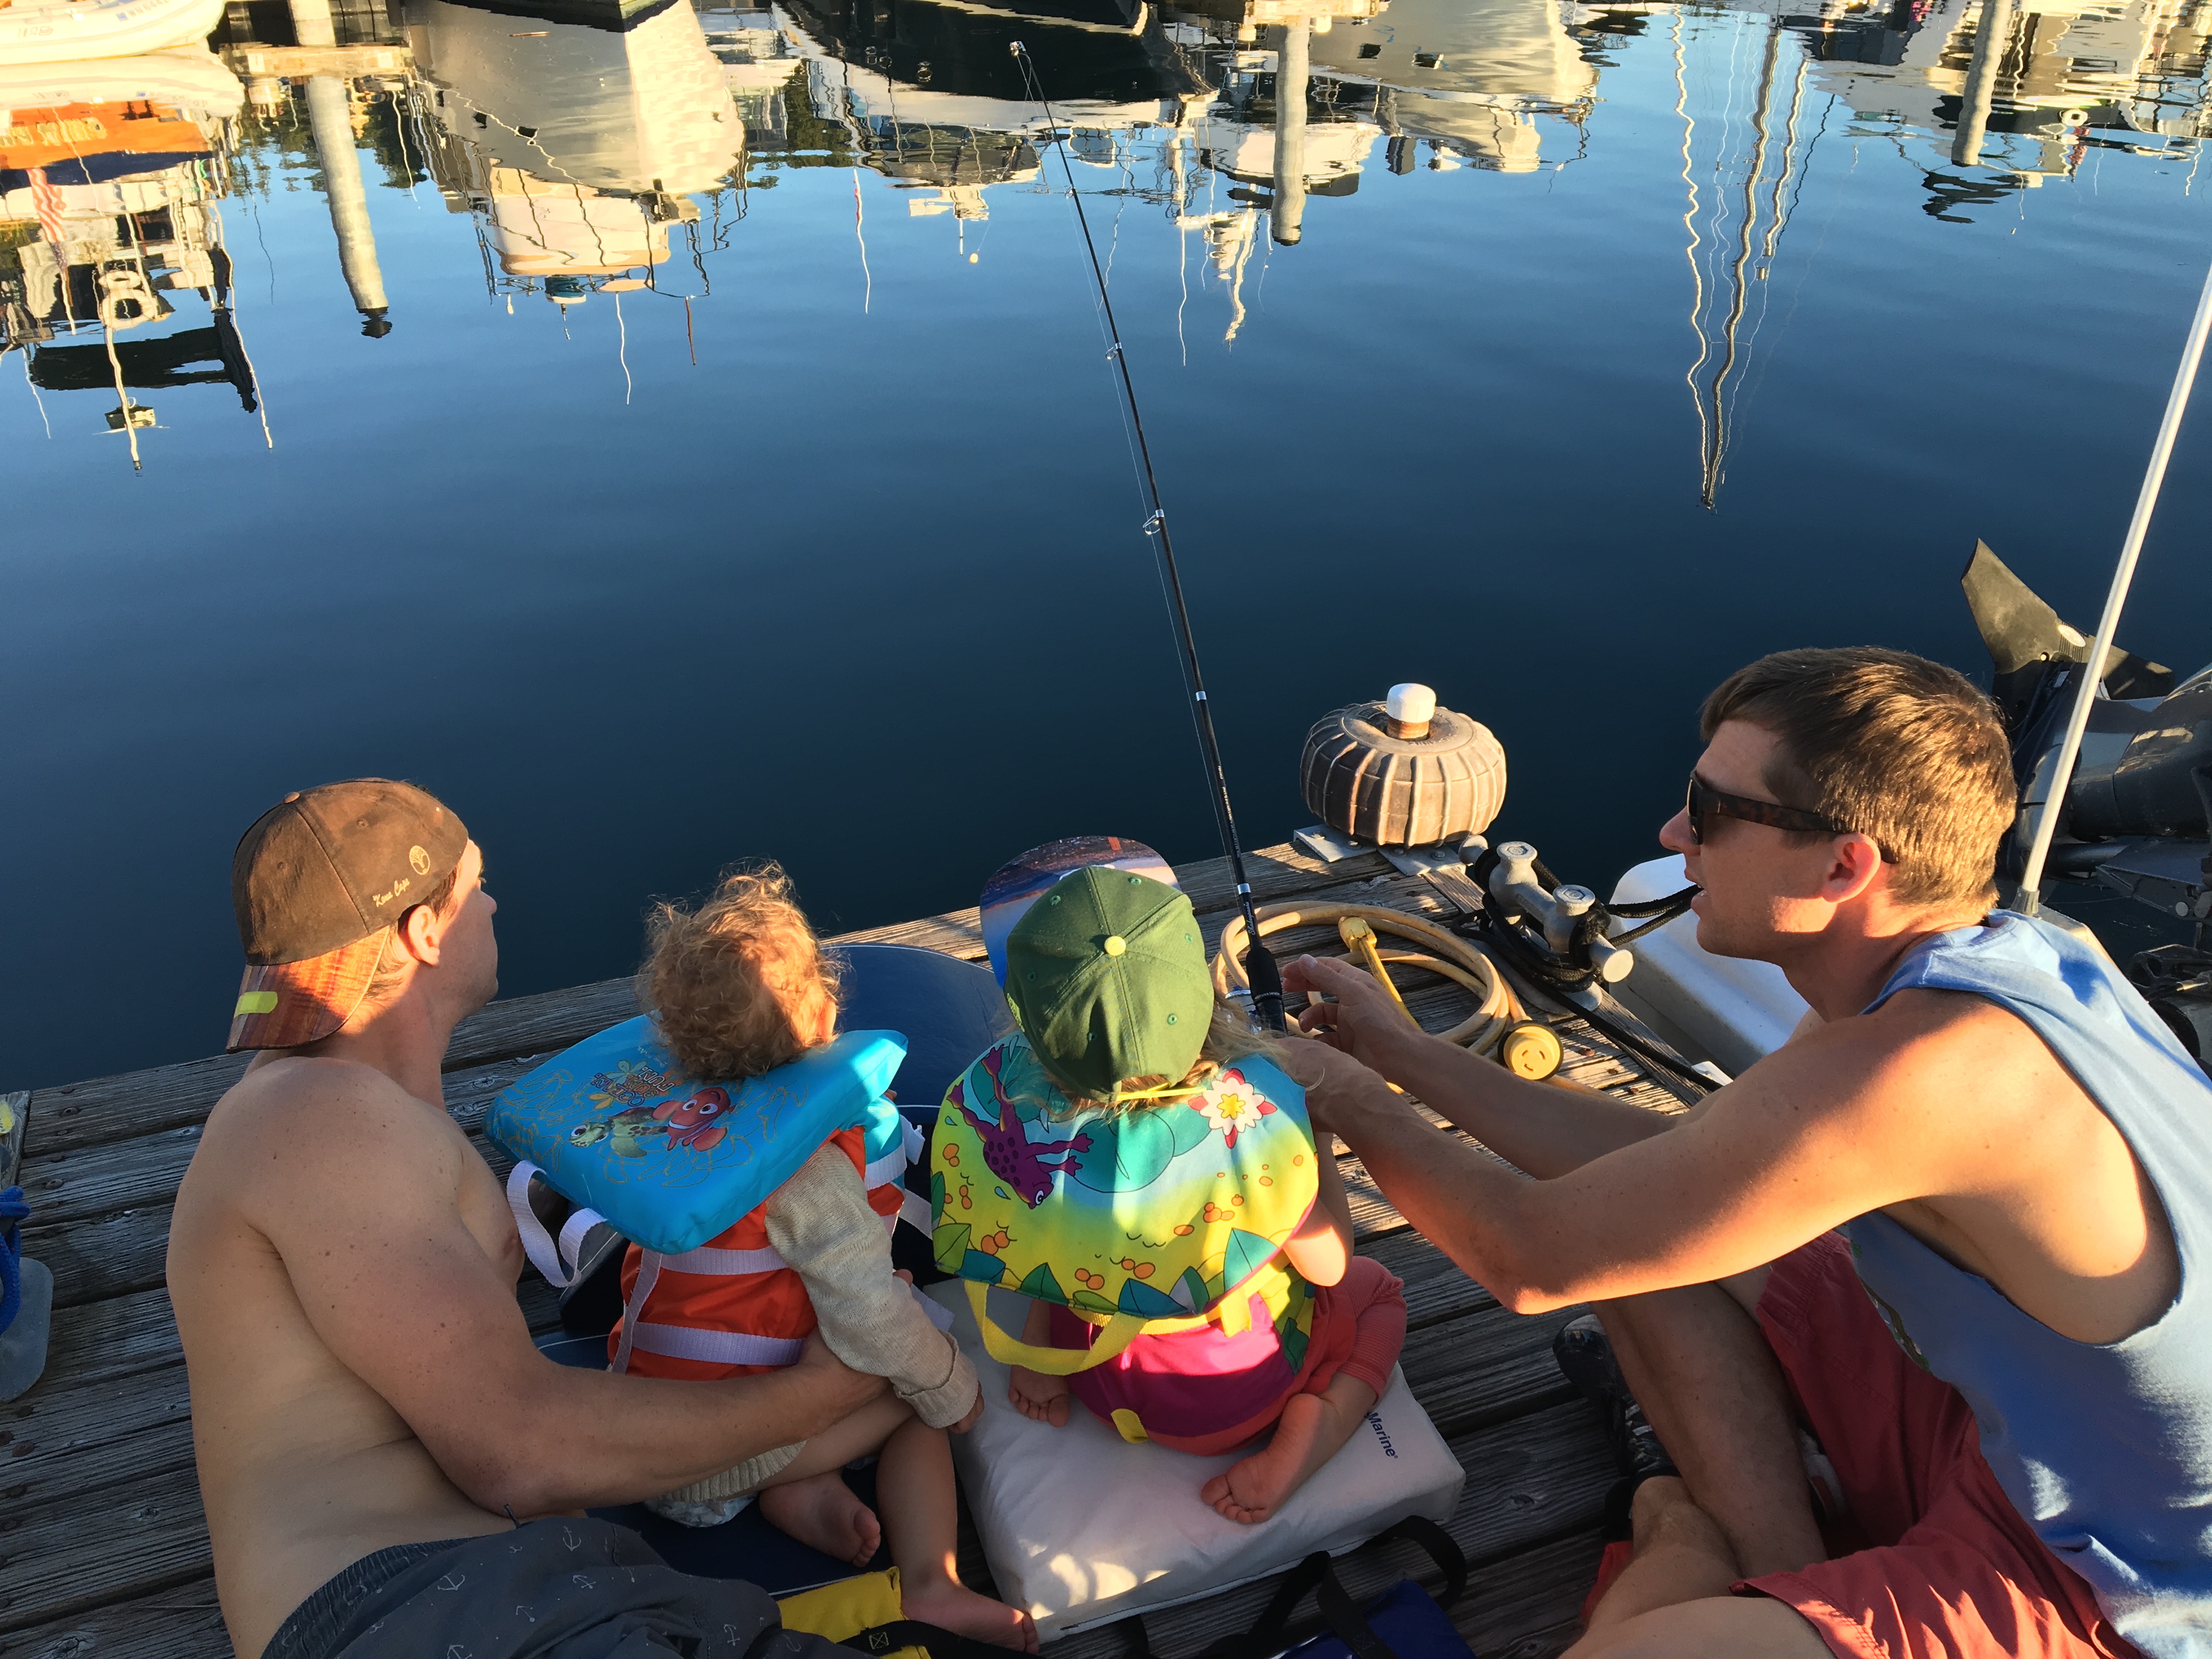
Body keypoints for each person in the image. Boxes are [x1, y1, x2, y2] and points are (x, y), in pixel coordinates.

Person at [1276, 647, 2210, 1659]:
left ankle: (1685, 1530)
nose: (1673, 832)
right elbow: (1672, 1175)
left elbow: (1526, 1259)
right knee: (1634, 1230)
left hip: (2116, 1581)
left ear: (1843, 865)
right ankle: (1788, 1564)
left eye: (1711, 809)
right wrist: (1399, 1050)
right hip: (2029, 1442)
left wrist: (1345, 1097)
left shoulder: (1921, 1071)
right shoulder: (1993, 961)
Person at [168, 781, 893, 1659]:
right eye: (477, 884)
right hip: (428, 1610)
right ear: (422, 932)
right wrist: (823, 1392)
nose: (496, 903)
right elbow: (517, 1445)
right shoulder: (317, 1120)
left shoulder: (341, 1113)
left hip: (520, 1591)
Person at [610, 867, 1034, 1651]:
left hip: (643, 1423)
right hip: (713, 1459)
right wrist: (947, 1382)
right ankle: (934, 1585)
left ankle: (800, 1489)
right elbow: (874, 1318)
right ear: (824, 1015)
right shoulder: (805, 1166)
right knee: (914, 1389)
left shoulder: (675, 1122)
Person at [964, 866, 1408, 1524]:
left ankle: (1040, 1363)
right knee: (1379, 1294)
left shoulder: (1020, 1112)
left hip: (1094, 1374)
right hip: (1226, 1406)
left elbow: (1029, 1240)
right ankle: (1318, 1429)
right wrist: (1314, 1145)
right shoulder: (1253, 1124)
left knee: (1047, 1223)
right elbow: (1330, 1266)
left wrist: (1044, 1356)